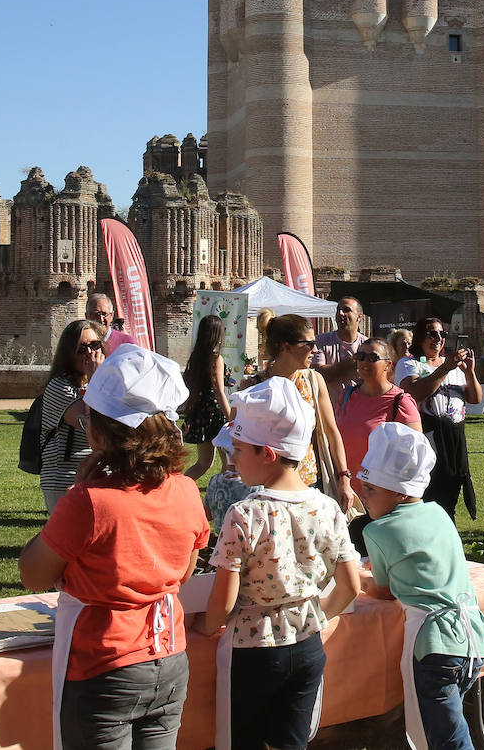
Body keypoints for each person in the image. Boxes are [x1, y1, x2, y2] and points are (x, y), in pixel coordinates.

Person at [19, 345, 210, 750]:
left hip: (103, 667)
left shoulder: (89, 502)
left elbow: (32, 574)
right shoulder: (187, 491)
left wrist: (78, 493)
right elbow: (184, 570)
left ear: (99, 430)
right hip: (169, 658)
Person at [199, 377, 363, 750]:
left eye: (239, 449)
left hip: (254, 650)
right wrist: (318, 614)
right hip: (307, 645)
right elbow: (351, 586)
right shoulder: (327, 507)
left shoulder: (245, 515)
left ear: (267, 454)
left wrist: (207, 626)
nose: (233, 458)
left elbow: (223, 601)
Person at [358, 423, 484, 750]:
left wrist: (356, 580)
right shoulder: (438, 514)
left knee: (447, 739)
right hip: (474, 637)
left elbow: (383, 591)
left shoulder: (378, 532)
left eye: (371, 489)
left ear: (400, 492)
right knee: (451, 724)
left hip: (434, 647)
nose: (362, 494)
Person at [262, 314, 356, 514]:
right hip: (267, 487)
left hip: (308, 483)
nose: (315, 349)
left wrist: (344, 478)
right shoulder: (256, 386)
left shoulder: (313, 381)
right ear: (286, 347)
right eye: (309, 343)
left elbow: (332, 432)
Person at [336, 336, 421, 550]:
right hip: (346, 496)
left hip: (383, 503)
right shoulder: (347, 395)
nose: (364, 362)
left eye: (373, 357)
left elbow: (415, 457)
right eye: (360, 356)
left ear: (388, 365)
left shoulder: (400, 401)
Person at [396, 317, 482, 518]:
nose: (438, 338)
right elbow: (415, 392)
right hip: (429, 435)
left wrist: (469, 373)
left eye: (442, 334)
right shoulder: (409, 363)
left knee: (452, 489)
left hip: (455, 436)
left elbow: (475, 398)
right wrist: (445, 369)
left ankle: (447, 524)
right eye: (432, 334)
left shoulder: (452, 365)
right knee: (432, 491)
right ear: (419, 337)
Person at [39, 319, 105, 513]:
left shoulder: (104, 385)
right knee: (67, 541)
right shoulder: (59, 387)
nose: (90, 354)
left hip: (103, 474)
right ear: (68, 355)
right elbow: (95, 428)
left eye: (95, 345)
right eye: (82, 349)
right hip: (65, 477)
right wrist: (96, 379)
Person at [180, 314, 231, 482]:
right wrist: (231, 417)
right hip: (214, 415)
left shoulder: (195, 358)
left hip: (199, 413)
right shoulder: (216, 359)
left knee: (203, 463)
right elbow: (219, 390)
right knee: (228, 462)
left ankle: (181, 487)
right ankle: (223, 491)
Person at [311, 296, 366, 410]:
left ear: (359, 317)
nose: (340, 313)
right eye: (338, 310)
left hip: (359, 412)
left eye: (346, 310)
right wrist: (352, 362)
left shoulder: (367, 345)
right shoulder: (321, 341)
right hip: (329, 413)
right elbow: (319, 375)